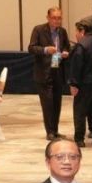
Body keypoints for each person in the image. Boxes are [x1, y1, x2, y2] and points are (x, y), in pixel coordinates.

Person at [28, 7, 70, 140]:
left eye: (59, 18)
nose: (57, 21)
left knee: (57, 102)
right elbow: (31, 48)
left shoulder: (62, 31)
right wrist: (46, 50)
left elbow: (66, 46)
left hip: (57, 69)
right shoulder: (39, 30)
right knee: (47, 104)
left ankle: (55, 130)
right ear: (48, 18)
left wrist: (65, 52)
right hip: (43, 72)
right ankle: (50, 132)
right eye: (54, 18)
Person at [66, 21, 92, 147]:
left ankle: (79, 139)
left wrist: (73, 83)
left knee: (80, 111)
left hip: (84, 84)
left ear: (82, 31)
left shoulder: (81, 46)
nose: (76, 35)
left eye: (76, 31)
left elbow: (76, 66)